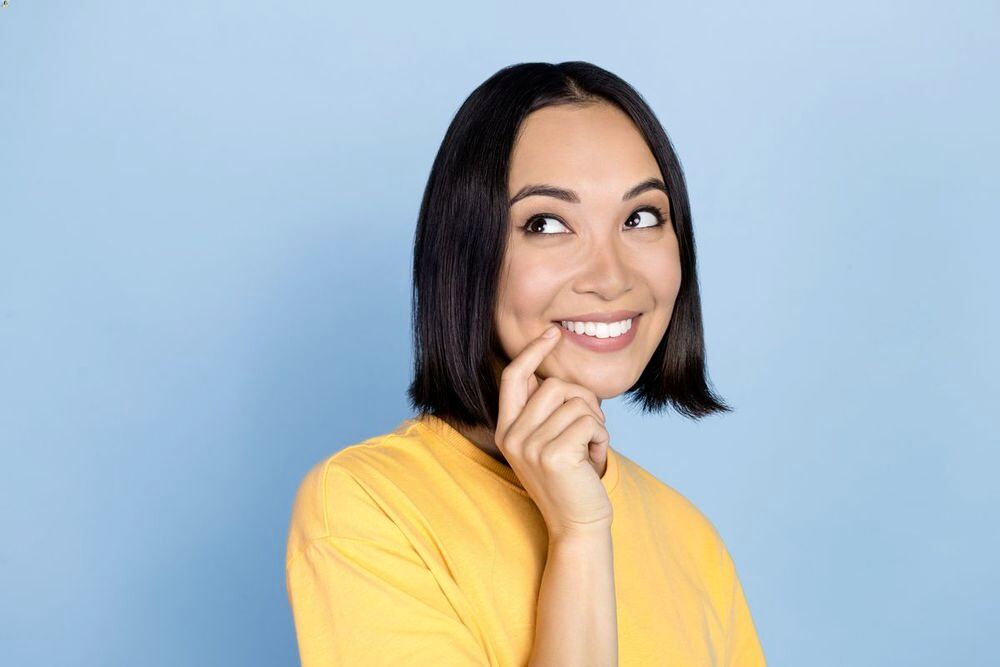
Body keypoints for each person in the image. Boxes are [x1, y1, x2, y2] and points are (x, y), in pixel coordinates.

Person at [285, 61, 767, 666]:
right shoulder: (369, 507)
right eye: (546, 223)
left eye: (641, 217)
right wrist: (580, 536)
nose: (612, 278)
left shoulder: (689, 538)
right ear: (468, 257)